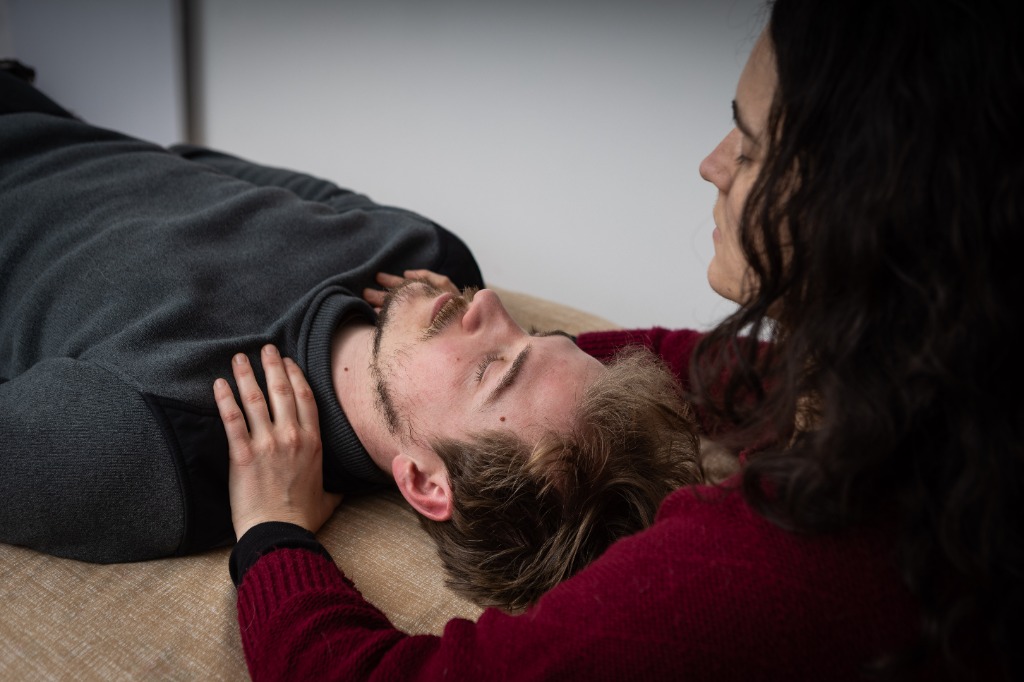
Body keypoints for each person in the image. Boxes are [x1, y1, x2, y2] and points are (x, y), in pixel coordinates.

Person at [216, 0, 1022, 679]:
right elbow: (713, 366)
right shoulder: (936, 393)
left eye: (748, 145)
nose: (712, 165)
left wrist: (272, 532)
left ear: (858, 206)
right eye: (528, 339)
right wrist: (529, 359)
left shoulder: (767, 565)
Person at [0, 67, 702, 610]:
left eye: (492, 367)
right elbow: (187, 163)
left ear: (427, 482)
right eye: (535, 333)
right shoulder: (428, 251)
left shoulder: (152, 444)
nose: (486, 302)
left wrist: (277, 541)